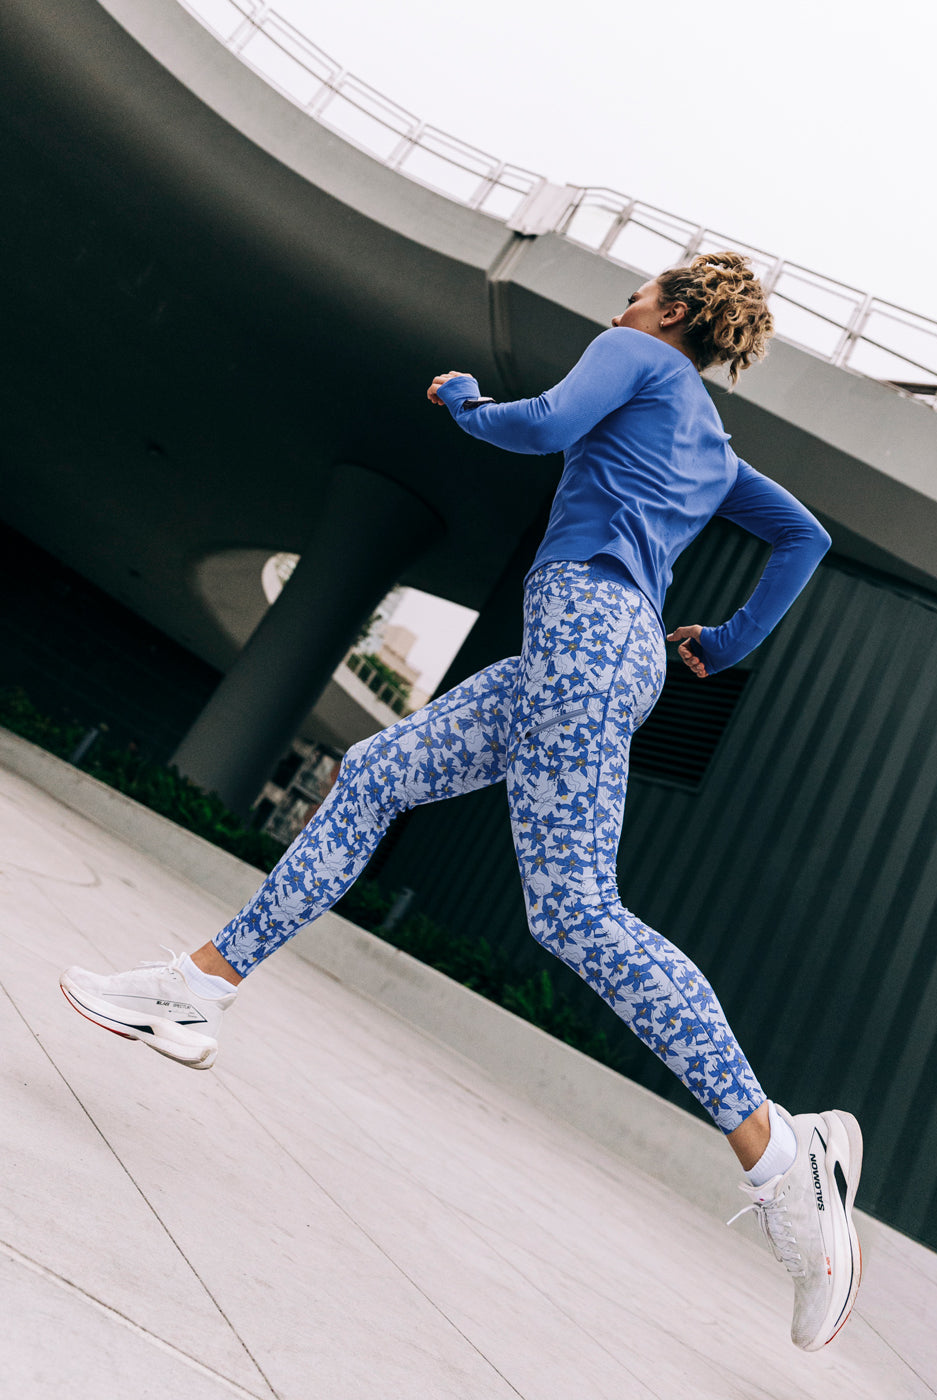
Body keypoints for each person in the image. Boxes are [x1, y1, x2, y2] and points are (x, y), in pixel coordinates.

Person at [60, 252, 862, 1352]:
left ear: (671, 311)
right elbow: (802, 537)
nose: (616, 308)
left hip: (584, 637)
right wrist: (722, 642)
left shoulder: (636, 354)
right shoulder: (714, 445)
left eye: (632, 294)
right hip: (593, 647)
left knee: (577, 912)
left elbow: (536, 426)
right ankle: (199, 985)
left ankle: (784, 1161)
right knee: (375, 773)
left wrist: (462, 401)